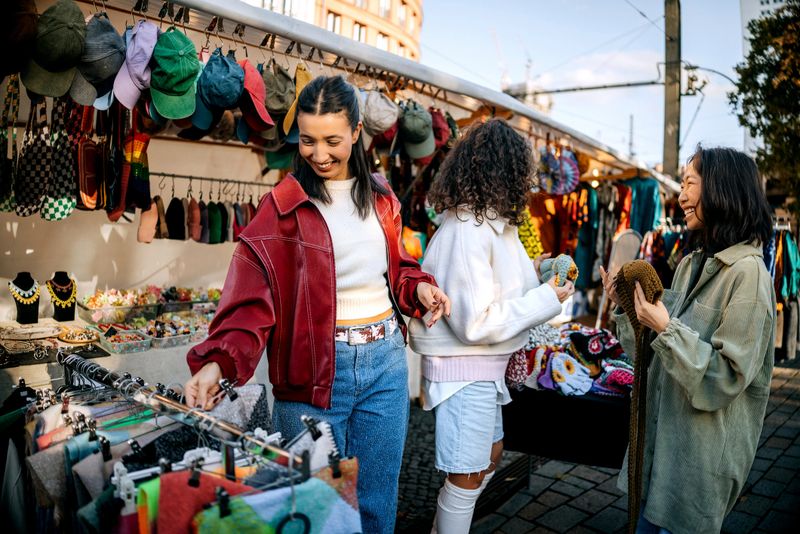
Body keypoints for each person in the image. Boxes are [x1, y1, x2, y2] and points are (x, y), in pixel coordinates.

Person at [184, 75, 450, 534]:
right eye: (307, 140)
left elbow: (396, 265)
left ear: (356, 131)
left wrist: (418, 286)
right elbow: (250, 301)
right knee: (316, 509)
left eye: (332, 140)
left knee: (375, 505)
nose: (319, 153)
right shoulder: (280, 208)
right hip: (310, 375)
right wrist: (218, 363)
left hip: (386, 365)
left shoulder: (383, 198)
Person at [409, 119, 574, 534]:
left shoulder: (493, 225)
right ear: (507, 173)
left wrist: (540, 270)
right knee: (467, 474)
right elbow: (475, 322)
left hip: (483, 368)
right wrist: (546, 297)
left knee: (489, 456)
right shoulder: (470, 228)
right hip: (467, 370)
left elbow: (503, 283)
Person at [599, 146, 775, 534]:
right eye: (682, 184)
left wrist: (666, 328)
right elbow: (649, 358)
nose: (680, 196)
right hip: (662, 456)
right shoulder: (690, 265)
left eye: (690, 184)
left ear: (722, 191)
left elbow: (726, 379)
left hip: (699, 468)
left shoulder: (749, 276)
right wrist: (629, 307)